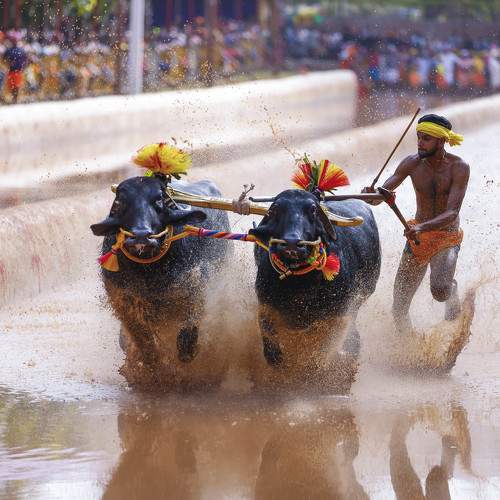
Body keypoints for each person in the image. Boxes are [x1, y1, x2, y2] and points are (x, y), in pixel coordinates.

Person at [364, 114, 470, 332]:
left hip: (445, 237)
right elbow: (382, 194)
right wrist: (370, 195)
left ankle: (451, 290)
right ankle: (410, 346)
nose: (420, 143)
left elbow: (452, 213)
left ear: (441, 141)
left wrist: (421, 227)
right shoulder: (411, 163)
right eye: (419, 137)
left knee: (440, 291)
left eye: (426, 139)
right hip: (418, 237)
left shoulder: (459, 167)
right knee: (399, 307)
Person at [3, 33, 28, 103]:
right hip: (11, 71)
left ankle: (15, 98)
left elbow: (25, 59)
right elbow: (4, 59)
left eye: (15, 40)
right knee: (12, 86)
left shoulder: (21, 50)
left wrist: (24, 66)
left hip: (18, 71)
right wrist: (7, 64)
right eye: (13, 40)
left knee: (17, 86)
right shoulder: (9, 50)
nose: (14, 42)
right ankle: (14, 98)